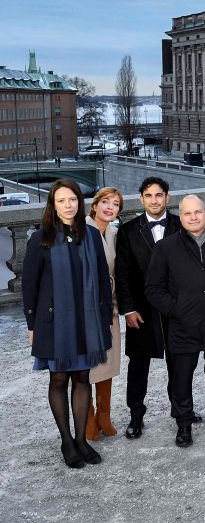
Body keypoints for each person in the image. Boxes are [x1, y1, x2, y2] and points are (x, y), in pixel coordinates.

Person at [23, 179, 112, 468]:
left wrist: (104, 316)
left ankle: (82, 440)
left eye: (72, 199)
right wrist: (31, 326)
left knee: (83, 378)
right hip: (54, 323)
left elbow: (101, 280)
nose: (68, 205)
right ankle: (66, 441)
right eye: (61, 200)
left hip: (87, 322)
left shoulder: (90, 234)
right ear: (53, 204)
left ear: (79, 201)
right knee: (59, 379)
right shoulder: (41, 238)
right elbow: (30, 286)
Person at [146, 195, 205, 448]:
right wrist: (176, 309)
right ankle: (184, 423)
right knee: (181, 376)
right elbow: (153, 289)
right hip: (183, 323)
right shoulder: (165, 248)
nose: (193, 218)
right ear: (180, 216)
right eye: (187, 214)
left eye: (197, 212)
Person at [115, 177, 188, 439]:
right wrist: (128, 309)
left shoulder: (182, 225)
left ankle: (181, 411)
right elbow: (122, 273)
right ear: (141, 199)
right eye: (149, 195)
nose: (154, 200)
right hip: (141, 310)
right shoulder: (128, 230)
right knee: (138, 366)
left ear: (168, 198)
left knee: (179, 363)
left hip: (176, 308)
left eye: (159, 195)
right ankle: (136, 415)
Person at [84, 187, 124, 441]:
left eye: (116, 204)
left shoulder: (112, 233)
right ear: (95, 205)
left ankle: (104, 414)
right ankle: (86, 416)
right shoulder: (83, 232)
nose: (110, 207)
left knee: (108, 362)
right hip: (88, 308)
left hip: (110, 306)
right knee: (87, 365)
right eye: (106, 202)